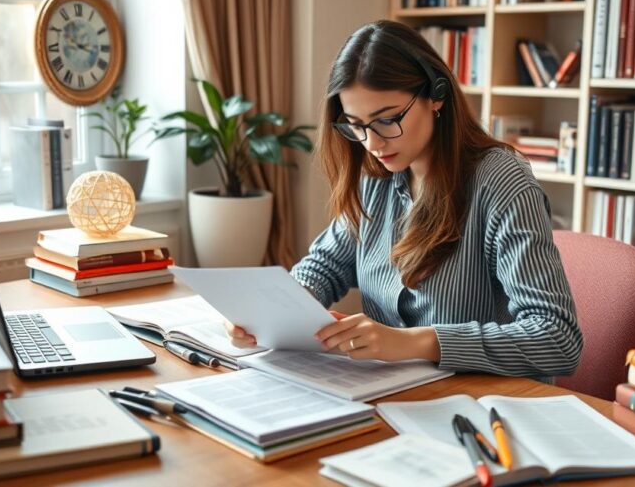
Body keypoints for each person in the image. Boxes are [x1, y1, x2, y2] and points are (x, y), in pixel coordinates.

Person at [228, 20, 583, 378]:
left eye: (387, 119)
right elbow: (324, 265)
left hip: (487, 407)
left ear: (437, 95)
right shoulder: (375, 176)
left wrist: (412, 342)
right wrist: (276, 311)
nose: (372, 142)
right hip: (396, 395)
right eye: (356, 124)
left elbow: (557, 338)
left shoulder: (500, 183)